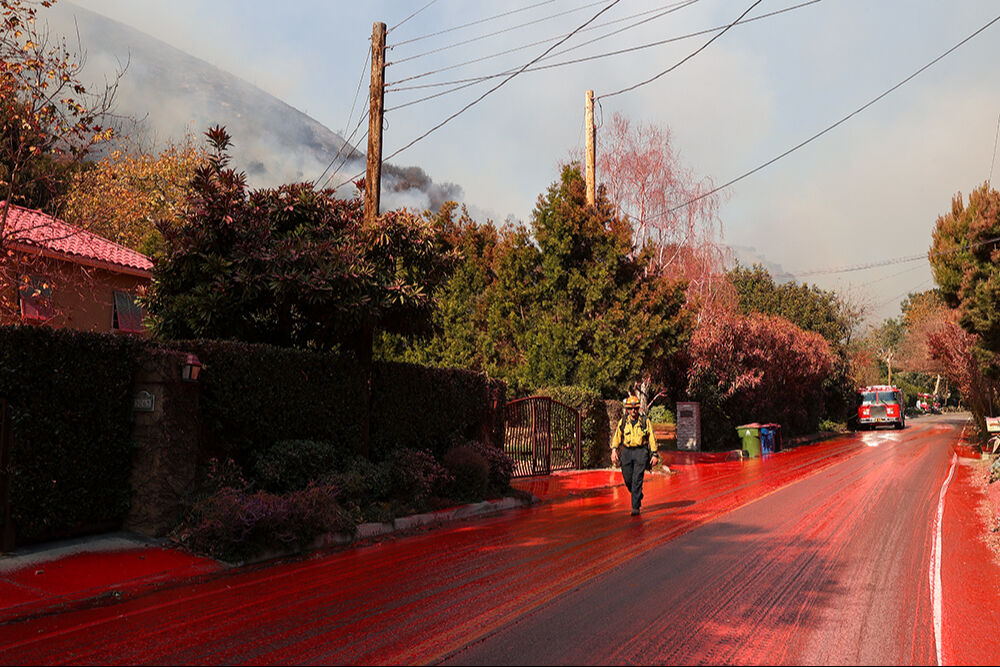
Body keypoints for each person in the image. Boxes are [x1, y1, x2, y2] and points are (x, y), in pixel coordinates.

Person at [611, 395, 658, 516]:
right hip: (627, 451)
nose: (633, 411)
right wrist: (614, 450)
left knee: (637, 479)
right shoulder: (623, 421)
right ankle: (637, 494)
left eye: (635, 408)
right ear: (627, 409)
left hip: (641, 451)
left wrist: (654, 454)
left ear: (638, 408)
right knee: (628, 479)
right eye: (630, 408)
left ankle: (635, 507)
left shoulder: (644, 421)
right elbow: (617, 436)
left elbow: (651, 437)